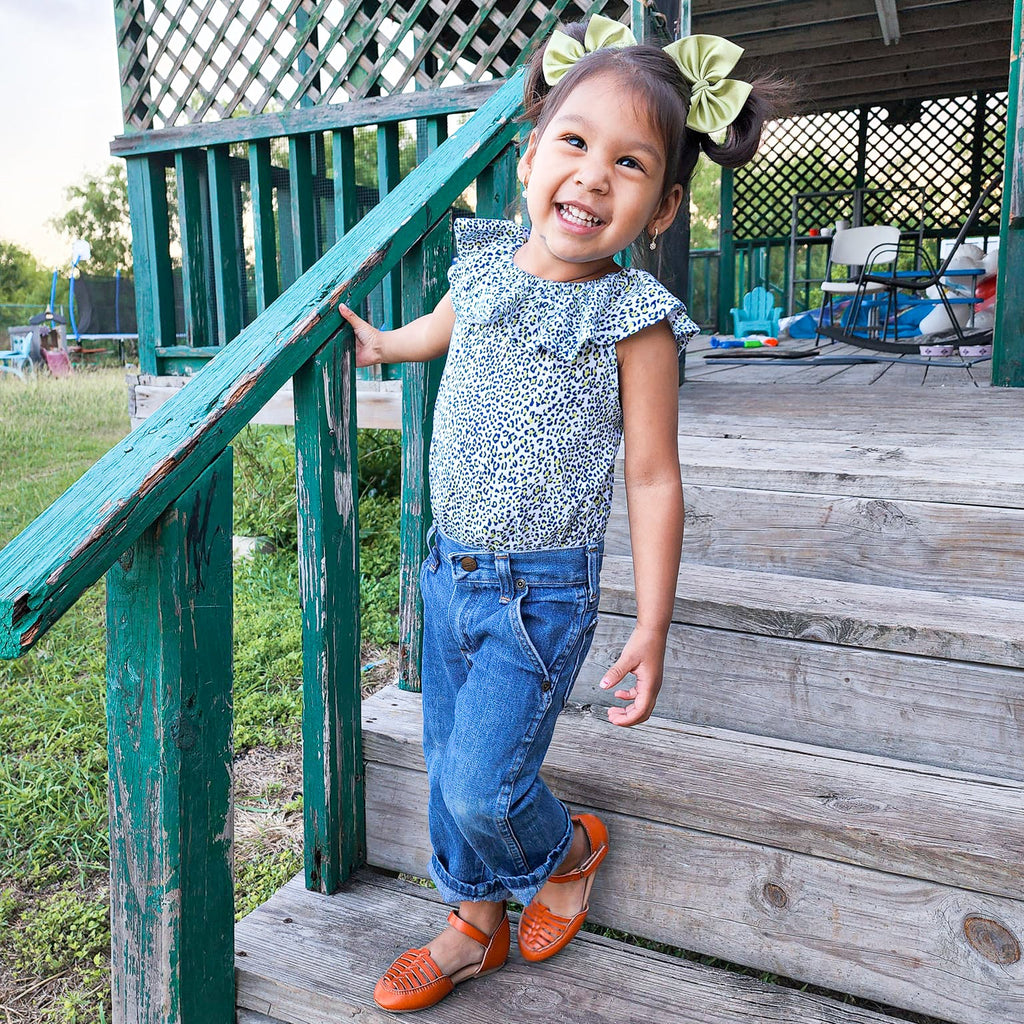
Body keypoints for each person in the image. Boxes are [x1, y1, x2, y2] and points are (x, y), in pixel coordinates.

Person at [338, 14, 785, 1012]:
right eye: (574, 143)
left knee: (482, 787)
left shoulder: (634, 322)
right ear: (531, 152)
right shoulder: (485, 264)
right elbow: (444, 331)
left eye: (628, 163)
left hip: (537, 597)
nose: (591, 176)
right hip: (448, 566)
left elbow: (655, 478)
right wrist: (385, 346)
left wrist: (654, 625)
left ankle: (567, 846)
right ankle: (470, 925)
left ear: (662, 207)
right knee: (450, 760)